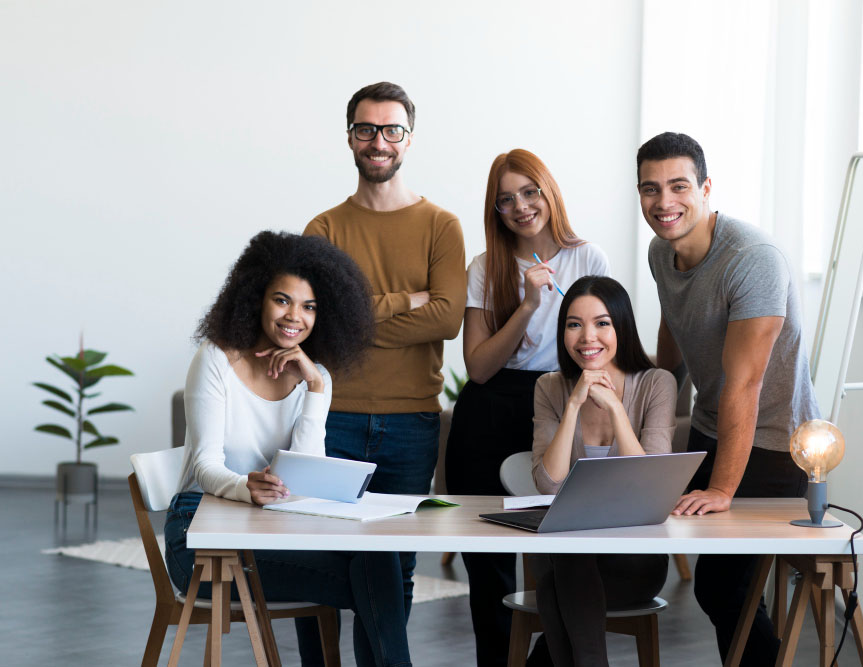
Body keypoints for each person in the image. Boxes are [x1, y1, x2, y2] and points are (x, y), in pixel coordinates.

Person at [164, 231, 413, 667]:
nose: (294, 316)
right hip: (201, 541)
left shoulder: (314, 376)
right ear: (256, 298)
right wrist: (247, 487)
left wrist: (314, 387)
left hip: (267, 530)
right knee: (372, 576)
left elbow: (305, 475)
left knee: (377, 558)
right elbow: (204, 465)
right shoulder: (217, 359)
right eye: (282, 300)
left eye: (309, 306)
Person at [638, 131, 819, 666]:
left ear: (706, 187)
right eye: (650, 189)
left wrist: (721, 488)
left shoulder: (752, 259)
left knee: (723, 587)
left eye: (678, 186)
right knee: (716, 588)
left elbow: (746, 384)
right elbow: (674, 330)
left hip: (771, 443)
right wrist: (648, 390)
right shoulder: (660, 250)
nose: (664, 203)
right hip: (711, 427)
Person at [301, 81, 466, 665]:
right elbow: (318, 326)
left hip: (410, 425)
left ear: (408, 139)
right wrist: (407, 301)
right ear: (349, 136)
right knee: (321, 565)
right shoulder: (323, 230)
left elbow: (446, 320)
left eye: (391, 130)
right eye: (366, 129)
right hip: (332, 418)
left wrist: (362, 310)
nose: (379, 141)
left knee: (395, 569)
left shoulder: (441, 225)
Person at [444, 149, 610, 666]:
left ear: (548, 190)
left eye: (529, 191)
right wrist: (529, 306)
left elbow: (604, 341)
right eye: (505, 200)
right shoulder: (484, 266)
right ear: (495, 211)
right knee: (487, 559)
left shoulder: (587, 257)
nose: (520, 206)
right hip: (490, 409)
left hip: (561, 401)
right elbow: (479, 366)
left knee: (564, 554)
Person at [528, 275, 675, 667]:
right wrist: (574, 406)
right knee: (568, 559)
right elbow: (547, 484)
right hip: (570, 558)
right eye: (574, 324)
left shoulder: (657, 383)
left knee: (552, 588)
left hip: (634, 560)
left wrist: (613, 407)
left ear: (621, 327)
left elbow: (649, 486)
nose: (587, 336)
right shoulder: (550, 388)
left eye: (602, 323)